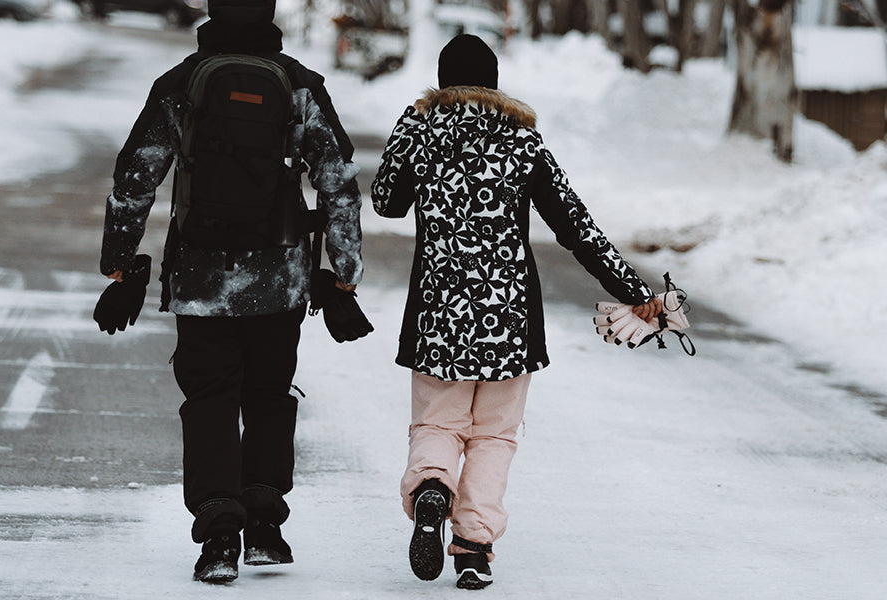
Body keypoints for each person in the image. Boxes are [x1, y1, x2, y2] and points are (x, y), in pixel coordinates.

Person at [370, 34, 662, 590]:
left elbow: (386, 201)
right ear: (494, 82)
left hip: (439, 314)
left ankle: (433, 486)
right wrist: (631, 288)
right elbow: (576, 227)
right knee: (494, 435)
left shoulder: (423, 135)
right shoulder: (522, 142)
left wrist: (409, 125)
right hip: (509, 317)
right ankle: (474, 545)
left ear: (441, 82)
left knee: (438, 422)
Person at [97, 0, 363, 584]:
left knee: (211, 397)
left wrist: (120, 266)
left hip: (200, 278)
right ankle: (265, 525)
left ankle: (219, 535)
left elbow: (135, 175)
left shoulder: (182, 83)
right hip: (281, 277)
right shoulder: (298, 84)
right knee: (269, 392)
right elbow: (339, 179)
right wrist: (343, 275)